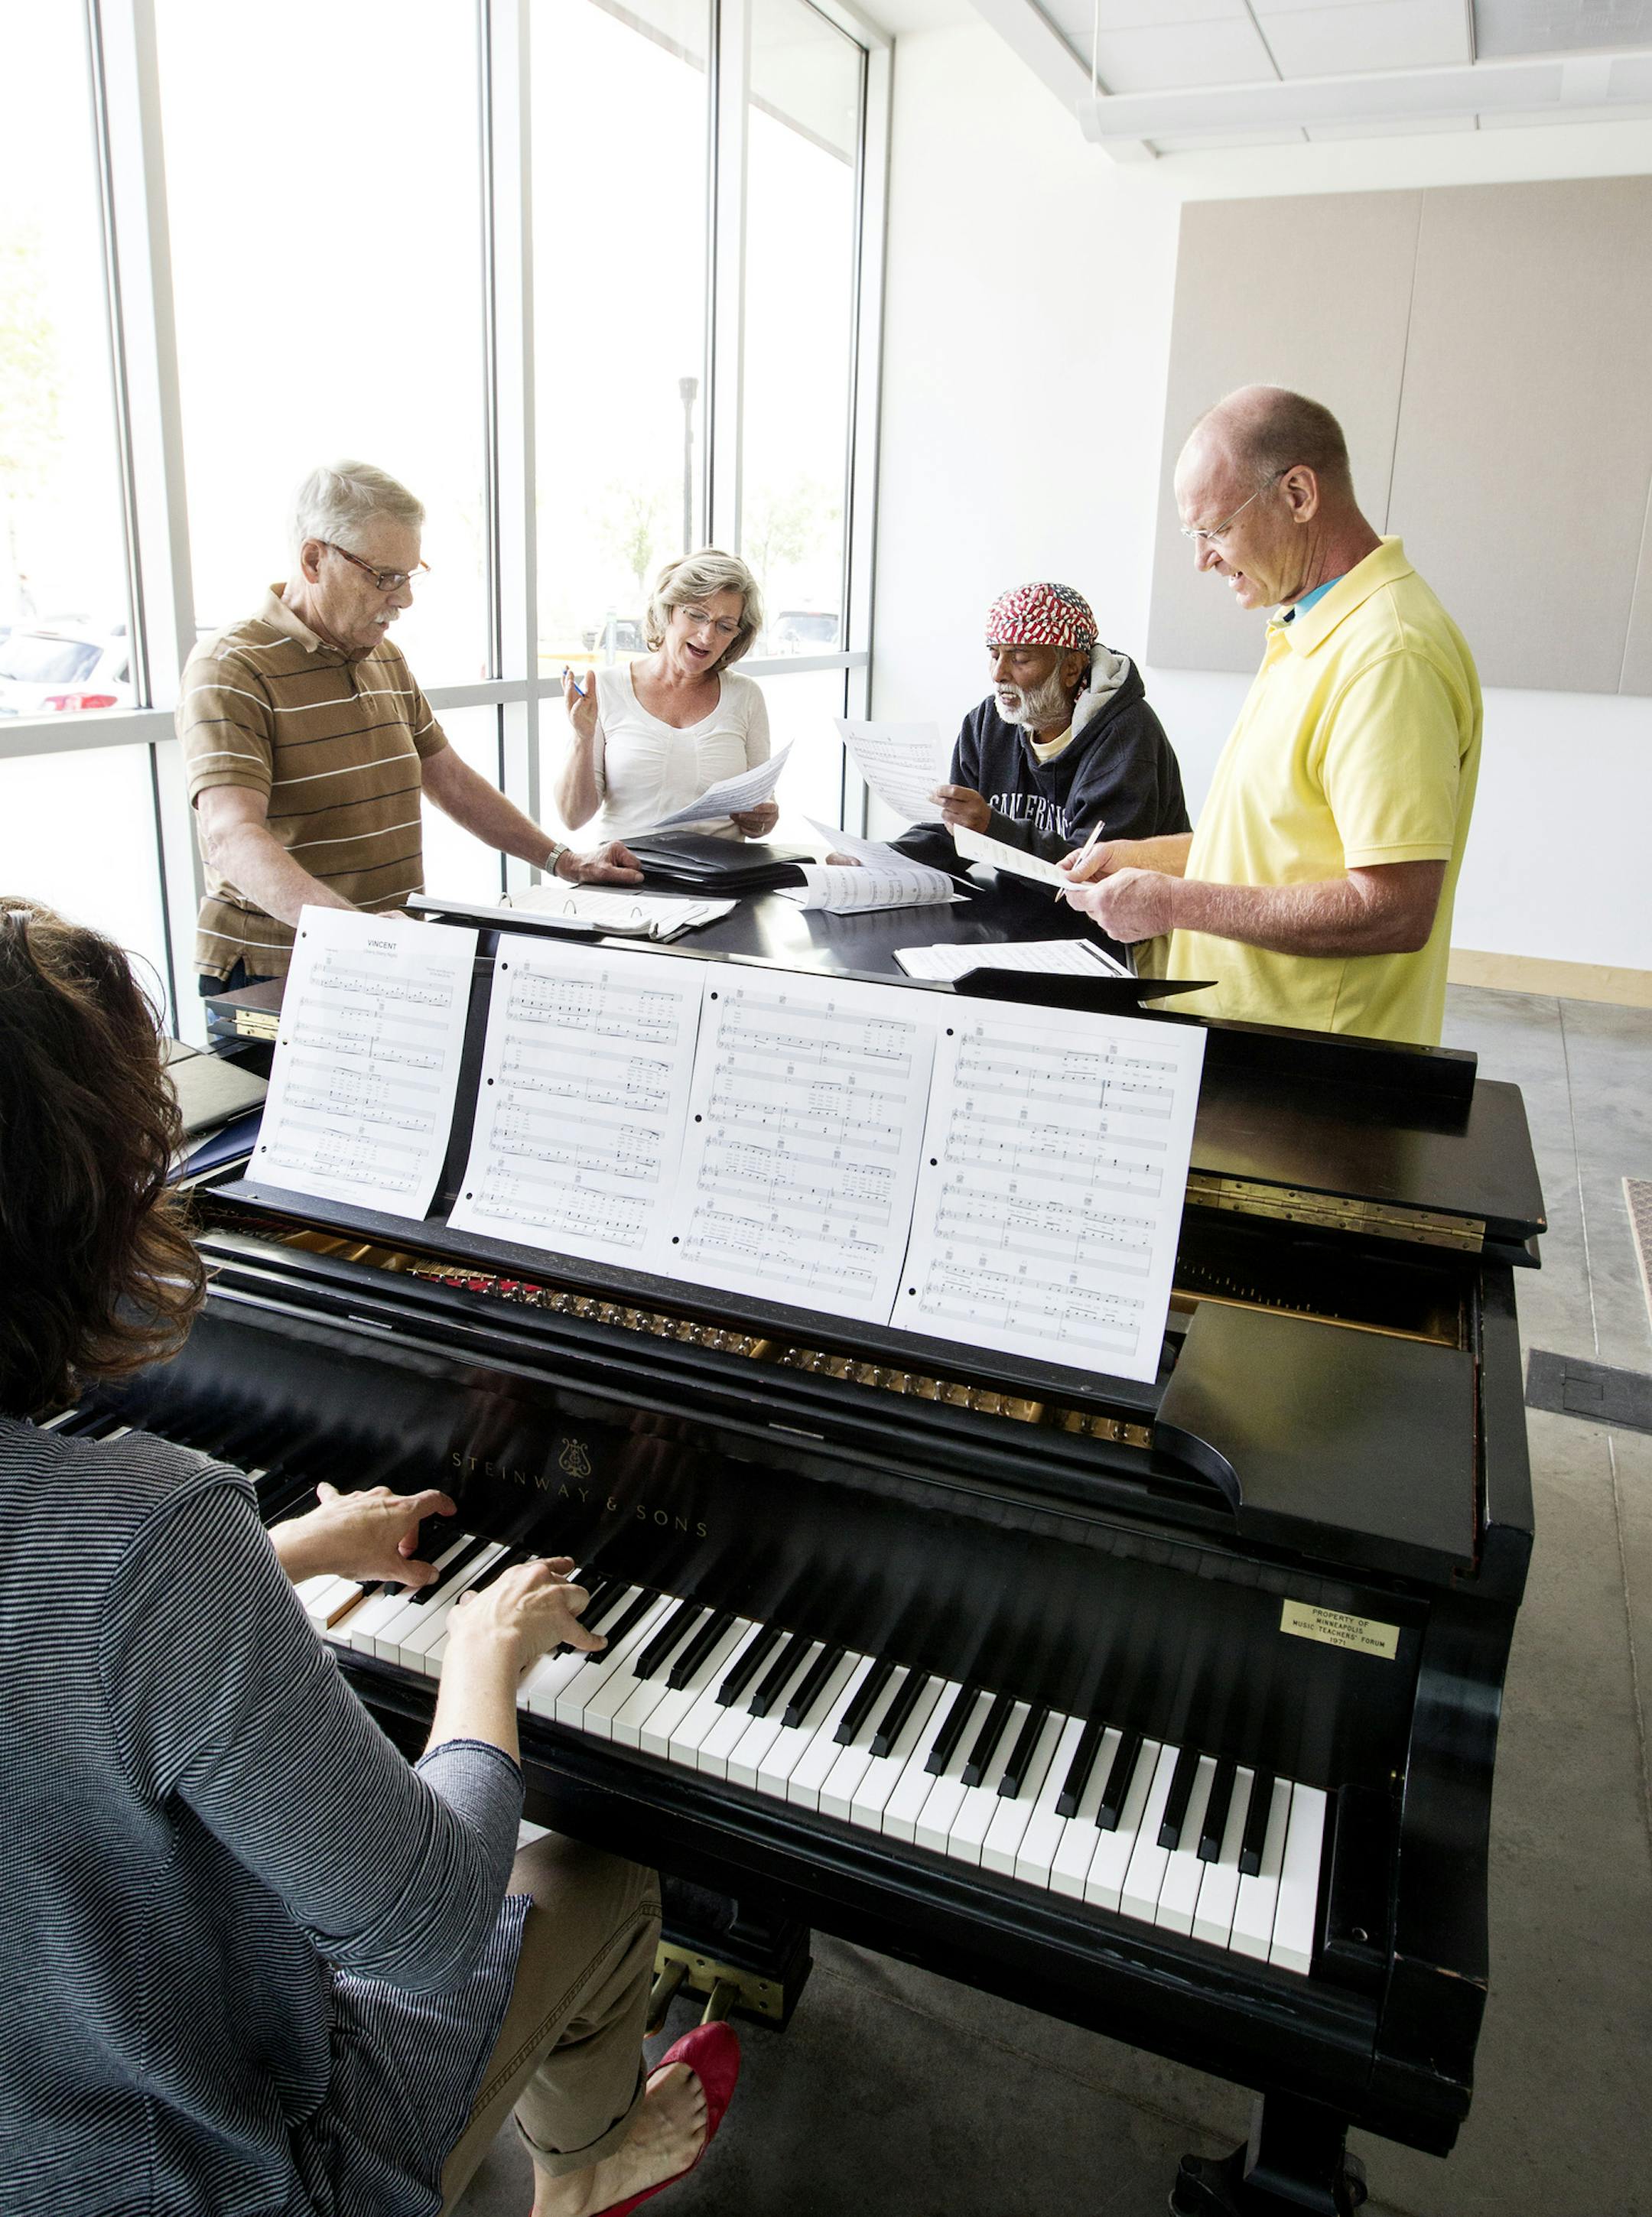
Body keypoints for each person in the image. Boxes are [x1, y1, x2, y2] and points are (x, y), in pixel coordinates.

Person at [0, 897, 740, 2216]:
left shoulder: (134, 1543)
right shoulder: (152, 1533)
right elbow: (431, 1921)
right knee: (598, 1846)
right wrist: (480, 1655)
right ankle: (586, 2161)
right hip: (227, 2175)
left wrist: (277, 1550)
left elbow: (51, 1644)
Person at [1062, 388, 1481, 1046]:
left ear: (1298, 495)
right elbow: (1273, 850)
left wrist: (1172, 903)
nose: (1202, 558)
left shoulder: (1389, 655)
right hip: (1240, 1036)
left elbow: (1394, 909)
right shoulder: (1308, 625)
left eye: (1216, 529)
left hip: (1314, 1067)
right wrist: (1140, 859)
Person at [180, 460, 641, 997]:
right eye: (384, 577)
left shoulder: (384, 658)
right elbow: (230, 837)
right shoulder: (231, 666)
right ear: (313, 559)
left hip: (385, 956)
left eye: (409, 575)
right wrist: (358, 934)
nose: (404, 598)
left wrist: (563, 860)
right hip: (277, 971)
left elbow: (450, 781)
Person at [892, 581, 1188, 870]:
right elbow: (956, 833)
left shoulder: (1127, 739)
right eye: (994, 655)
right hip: (1017, 907)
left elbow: (1091, 874)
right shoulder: (986, 724)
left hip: (1106, 916)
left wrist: (992, 827)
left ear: (1071, 669)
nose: (998, 674)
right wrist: (879, 861)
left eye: (1020, 658)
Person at [555, 550, 778, 847]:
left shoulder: (746, 695)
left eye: (724, 626)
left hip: (718, 881)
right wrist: (582, 738)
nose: (707, 636)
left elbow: (761, 808)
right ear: (669, 609)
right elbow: (573, 817)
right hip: (627, 874)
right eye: (697, 615)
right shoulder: (606, 687)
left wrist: (762, 819)